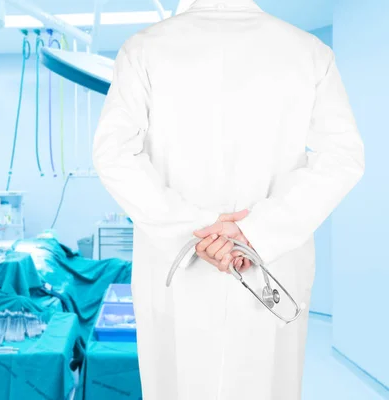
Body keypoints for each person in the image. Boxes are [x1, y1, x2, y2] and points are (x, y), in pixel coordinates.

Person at [92, 0, 365, 399]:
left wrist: (194, 230)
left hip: (181, 264)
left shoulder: (144, 49)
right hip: (270, 262)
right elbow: (342, 157)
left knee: (180, 382)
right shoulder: (308, 52)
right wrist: (254, 232)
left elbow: (113, 154)